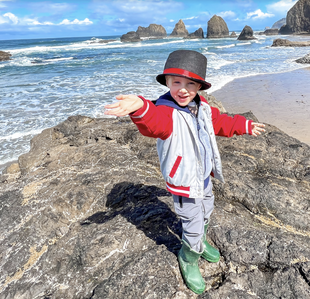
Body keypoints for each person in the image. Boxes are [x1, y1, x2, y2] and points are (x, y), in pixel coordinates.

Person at [104, 50, 265, 294]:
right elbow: (152, 123)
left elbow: (220, 123)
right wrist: (139, 106)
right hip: (183, 182)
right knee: (192, 222)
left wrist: (244, 125)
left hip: (203, 176)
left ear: (199, 86)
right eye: (176, 82)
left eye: (190, 84)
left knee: (206, 211)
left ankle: (201, 239)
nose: (182, 89)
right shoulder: (165, 112)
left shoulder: (203, 107)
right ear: (167, 82)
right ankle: (189, 257)